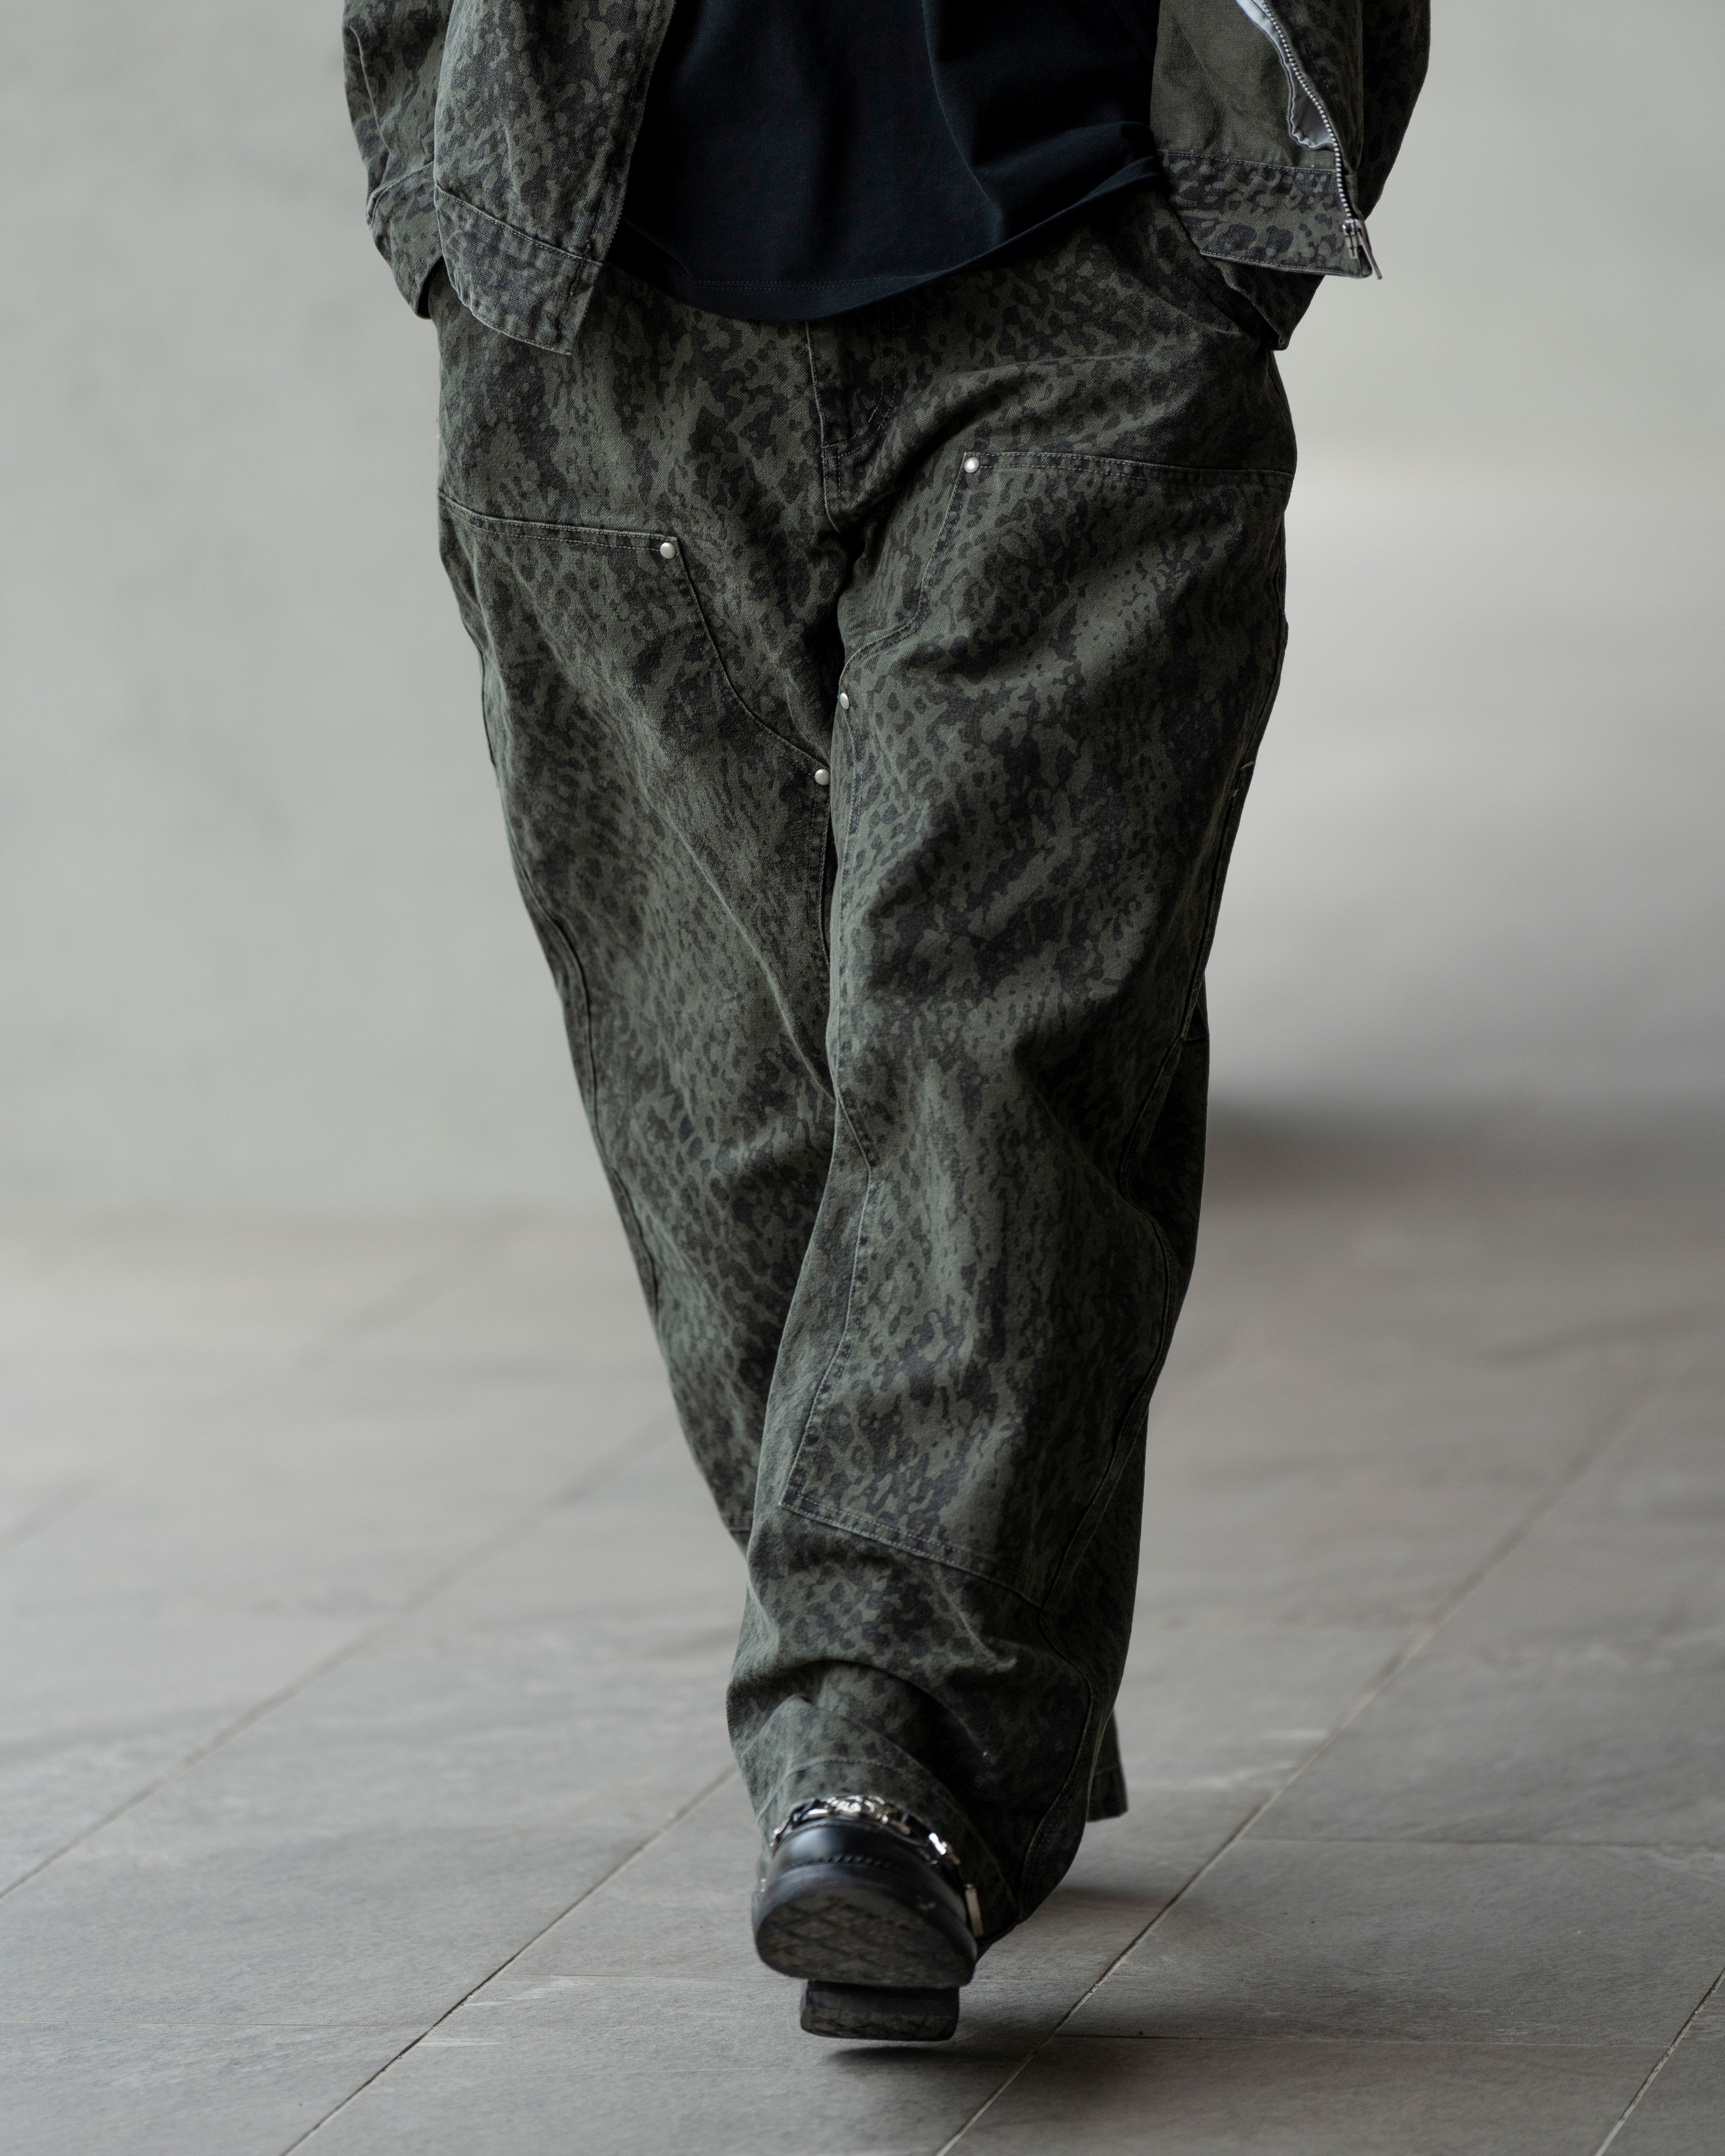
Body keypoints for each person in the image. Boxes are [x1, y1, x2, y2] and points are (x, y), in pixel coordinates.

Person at [343, 0, 1426, 2042]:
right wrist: (439, 194)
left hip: (1086, 277)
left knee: (991, 1051)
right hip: (598, 309)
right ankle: (980, 1665)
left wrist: (1243, 229)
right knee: (724, 1107)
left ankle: (891, 1754)